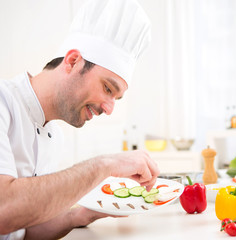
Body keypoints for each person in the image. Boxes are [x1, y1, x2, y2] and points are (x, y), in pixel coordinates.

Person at [0, 0, 160, 239]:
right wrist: (105, 164)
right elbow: (4, 210)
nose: (109, 109)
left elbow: (22, 230)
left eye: (116, 97)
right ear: (73, 61)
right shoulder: (3, 102)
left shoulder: (54, 136)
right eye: (108, 88)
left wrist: (84, 214)